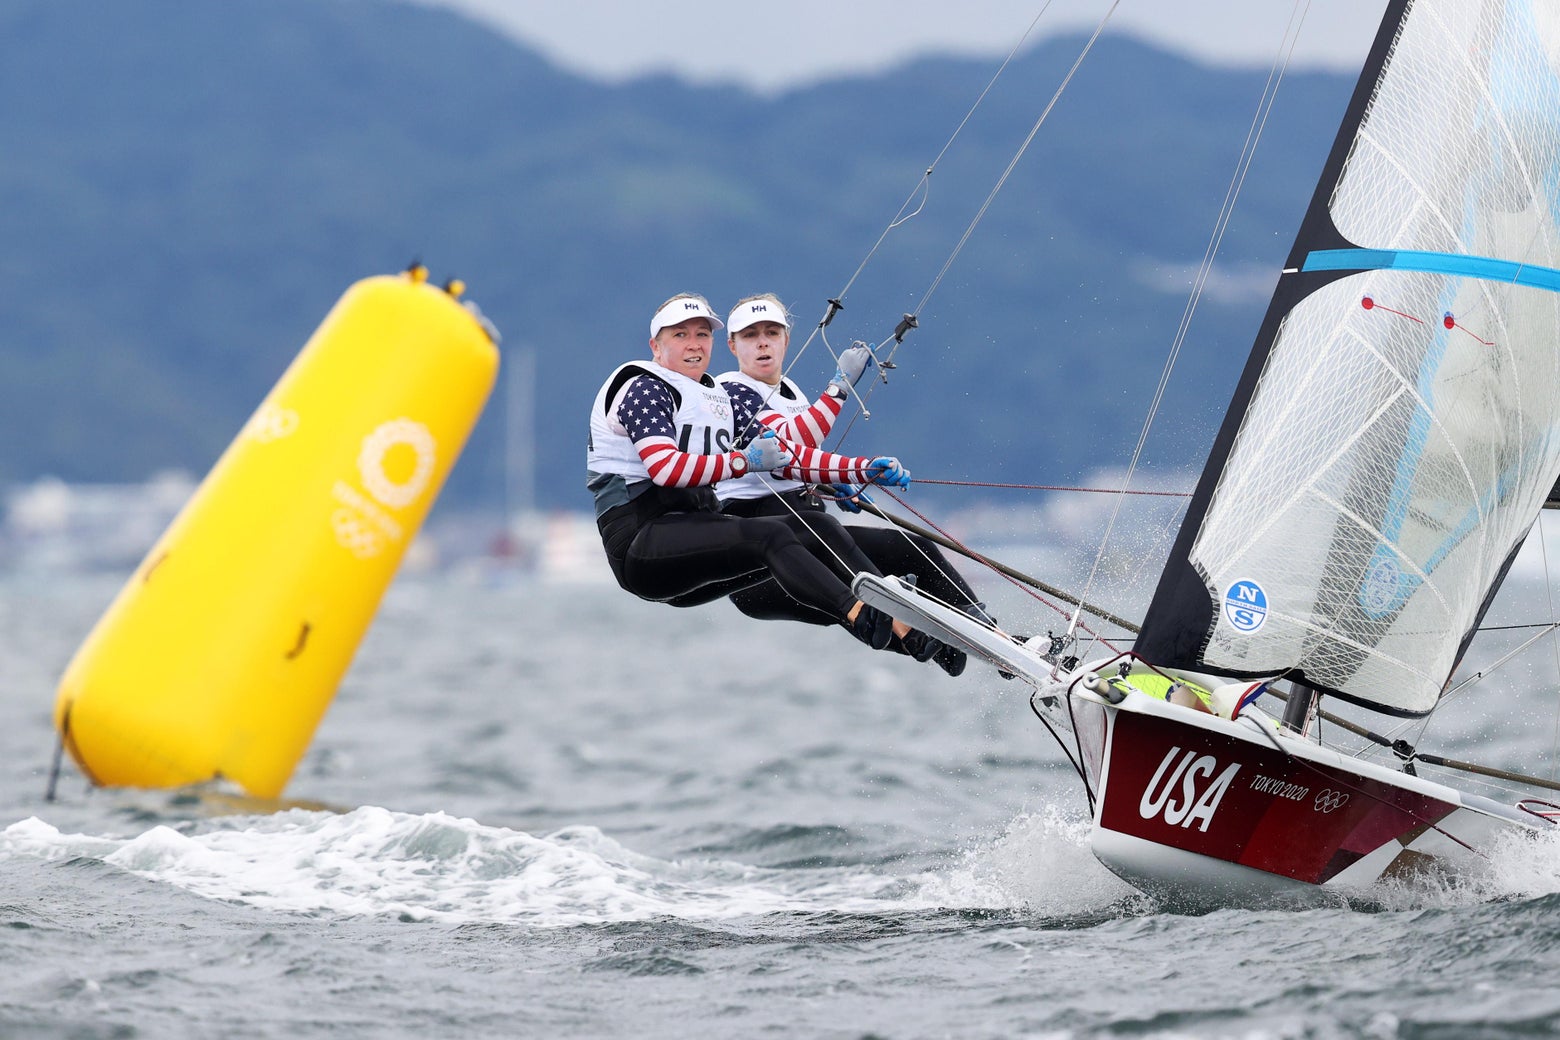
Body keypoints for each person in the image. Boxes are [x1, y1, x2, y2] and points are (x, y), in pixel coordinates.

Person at [586, 292, 939, 658]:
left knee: (817, 527)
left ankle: (904, 630)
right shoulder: (644, 388)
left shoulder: (715, 397)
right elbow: (666, 469)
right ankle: (862, 616)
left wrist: (862, 468)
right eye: (680, 335)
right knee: (771, 535)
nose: (693, 344)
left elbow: (786, 455)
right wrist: (743, 461)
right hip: (641, 549)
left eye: (702, 334)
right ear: (655, 347)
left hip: (694, 540)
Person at [713, 293, 990, 676]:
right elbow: (789, 449)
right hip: (762, 565)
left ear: (786, 340)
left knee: (915, 550)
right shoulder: (730, 390)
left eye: (771, 333)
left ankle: (994, 639)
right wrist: (840, 387)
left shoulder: (790, 393)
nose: (762, 343)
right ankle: (912, 632)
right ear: (732, 345)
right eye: (750, 335)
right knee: (843, 558)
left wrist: (829, 486)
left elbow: (798, 463)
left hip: (808, 535)